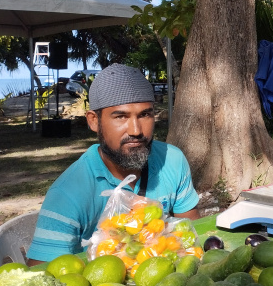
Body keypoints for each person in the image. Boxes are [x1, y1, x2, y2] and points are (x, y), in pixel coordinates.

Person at [26, 64, 200, 264]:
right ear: (93, 121)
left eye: (144, 115)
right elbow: (40, 274)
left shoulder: (172, 160)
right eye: (120, 116)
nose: (136, 130)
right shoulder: (68, 193)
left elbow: (191, 232)